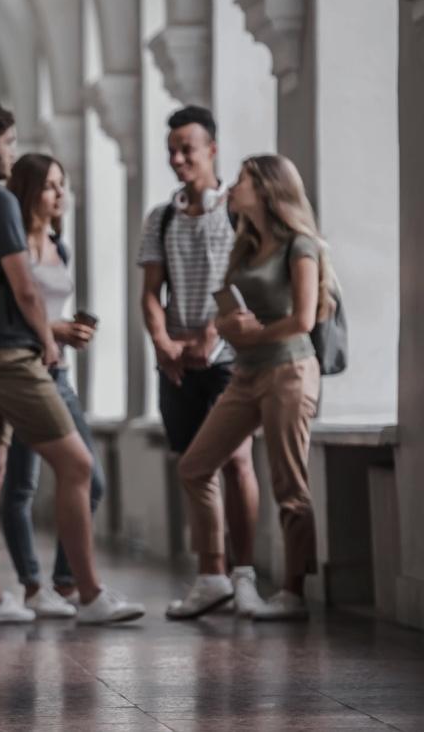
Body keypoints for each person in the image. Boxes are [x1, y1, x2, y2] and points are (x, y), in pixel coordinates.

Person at [0, 99, 145, 626]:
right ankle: (90, 593)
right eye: (8, 144)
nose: (11, 154)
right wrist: (47, 340)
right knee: (78, 466)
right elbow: (25, 286)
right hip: (8, 353)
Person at [175, 154, 332, 622]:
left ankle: (292, 592)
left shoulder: (299, 245)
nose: (233, 186)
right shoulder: (243, 247)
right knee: (195, 466)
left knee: (289, 485)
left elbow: (304, 319)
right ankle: (219, 578)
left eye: (241, 179)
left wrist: (251, 332)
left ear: (265, 189)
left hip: (288, 371)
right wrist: (227, 324)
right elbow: (224, 313)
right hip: (245, 375)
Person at [136, 106, 262, 619]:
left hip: (231, 359)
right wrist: (163, 342)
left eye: (188, 147)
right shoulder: (160, 218)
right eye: (172, 149)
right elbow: (150, 292)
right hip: (178, 365)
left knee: (235, 461)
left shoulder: (237, 211)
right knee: (194, 465)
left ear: (213, 149)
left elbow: (247, 283)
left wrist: (211, 335)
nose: (178, 157)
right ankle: (211, 575)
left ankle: (245, 575)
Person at [0, 154, 105, 618]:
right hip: (24, 372)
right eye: (50, 186)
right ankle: (31, 585)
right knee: (21, 486)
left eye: (63, 185)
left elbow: (49, 305)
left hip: (58, 374)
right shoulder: (13, 245)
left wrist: (68, 332)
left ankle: (63, 582)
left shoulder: (59, 246)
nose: (60, 194)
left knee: (93, 482)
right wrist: (54, 331)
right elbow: (8, 311)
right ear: (28, 192)